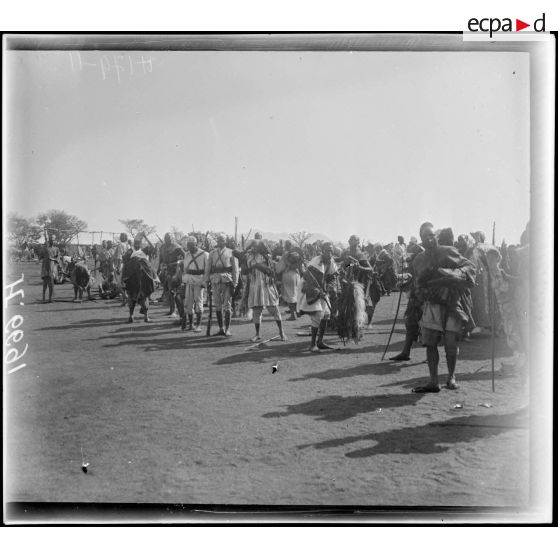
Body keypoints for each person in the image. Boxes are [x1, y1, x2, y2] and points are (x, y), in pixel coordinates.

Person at [411, 222, 476, 393]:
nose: (429, 239)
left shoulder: (447, 251)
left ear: (436, 237)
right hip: (431, 303)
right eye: (425, 236)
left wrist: (451, 274)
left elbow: (469, 267)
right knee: (430, 343)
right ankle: (433, 381)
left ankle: (451, 377)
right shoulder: (418, 260)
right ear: (421, 239)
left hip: (452, 302)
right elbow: (417, 282)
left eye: (432, 235)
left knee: (450, 342)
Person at [297, 242, 338, 352]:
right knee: (318, 314)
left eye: (331, 251)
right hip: (311, 290)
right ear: (322, 251)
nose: (329, 253)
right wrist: (320, 291)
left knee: (326, 315)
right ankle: (312, 344)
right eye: (327, 250)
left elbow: (332, 278)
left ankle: (320, 341)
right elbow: (309, 279)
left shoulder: (332, 263)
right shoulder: (316, 261)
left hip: (323, 291)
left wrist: (329, 287)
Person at [246, 240, 287, 342]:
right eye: (252, 246)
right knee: (257, 310)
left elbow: (271, 270)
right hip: (255, 285)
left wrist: (259, 266)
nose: (253, 248)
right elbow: (248, 267)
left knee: (274, 309)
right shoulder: (250, 256)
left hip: (267, 284)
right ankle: (257, 334)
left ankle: (282, 332)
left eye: (256, 246)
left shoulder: (267, 256)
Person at [205, 235, 238, 336]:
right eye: (219, 240)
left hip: (227, 280)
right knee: (217, 306)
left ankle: (227, 329)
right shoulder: (212, 253)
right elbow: (208, 267)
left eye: (222, 240)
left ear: (225, 241)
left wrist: (235, 282)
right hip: (215, 280)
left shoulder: (231, 252)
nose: (220, 242)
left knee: (227, 305)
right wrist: (206, 280)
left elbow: (235, 269)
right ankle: (221, 328)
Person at [175, 236, 209, 332]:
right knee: (188, 304)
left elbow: (207, 270)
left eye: (191, 245)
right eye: (188, 245)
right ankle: (191, 324)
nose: (189, 247)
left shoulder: (204, 254)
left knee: (199, 303)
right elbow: (185, 269)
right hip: (189, 280)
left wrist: (205, 282)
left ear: (196, 244)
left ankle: (198, 325)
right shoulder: (187, 255)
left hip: (199, 280)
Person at [122, 235, 158, 323]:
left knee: (138, 294)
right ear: (134, 244)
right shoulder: (130, 251)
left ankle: (138, 316)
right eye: (136, 243)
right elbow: (125, 262)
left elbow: (154, 248)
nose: (138, 244)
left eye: (139, 243)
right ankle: (136, 316)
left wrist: (145, 236)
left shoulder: (143, 250)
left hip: (142, 274)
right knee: (136, 294)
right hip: (134, 275)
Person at [465, 231, 492, 332]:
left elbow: (487, 262)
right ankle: (477, 322)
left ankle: (486, 322)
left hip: (482, 276)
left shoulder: (483, 248)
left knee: (483, 299)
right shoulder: (472, 248)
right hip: (474, 275)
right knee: (475, 298)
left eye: (477, 237)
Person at [158, 233, 186, 318]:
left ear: (172, 239)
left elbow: (185, 257)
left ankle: (175, 311)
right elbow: (161, 259)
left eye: (169, 238)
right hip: (166, 270)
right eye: (166, 238)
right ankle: (171, 310)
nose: (167, 240)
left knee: (173, 291)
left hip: (175, 271)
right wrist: (158, 270)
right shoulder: (162, 247)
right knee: (168, 291)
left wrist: (178, 263)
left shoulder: (176, 247)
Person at [275, 240, 303, 320]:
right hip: (296, 275)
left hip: (288, 275)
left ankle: (293, 314)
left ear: (286, 246)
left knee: (290, 295)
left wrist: (277, 270)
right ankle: (297, 312)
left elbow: (280, 267)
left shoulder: (286, 254)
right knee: (296, 294)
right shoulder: (297, 254)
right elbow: (300, 266)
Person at [40, 237, 60, 303]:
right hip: (45, 267)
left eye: (53, 240)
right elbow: (41, 256)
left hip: (52, 268)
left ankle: (50, 299)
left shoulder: (56, 249)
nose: (52, 241)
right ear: (49, 241)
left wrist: (53, 259)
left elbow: (58, 258)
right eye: (51, 240)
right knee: (45, 284)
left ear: (54, 241)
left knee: (51, 284)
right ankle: (43, 299)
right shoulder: (45, 249)